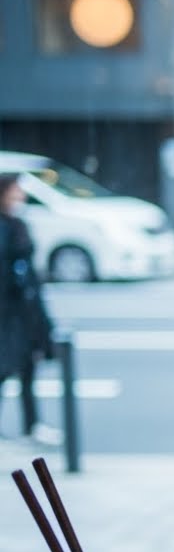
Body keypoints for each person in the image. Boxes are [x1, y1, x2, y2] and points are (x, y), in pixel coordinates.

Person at [0, 173, 58, 445]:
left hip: (24, 311)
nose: (20, 196)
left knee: (26, 367)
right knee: (4, 369)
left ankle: (32, 424)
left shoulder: (17, 224)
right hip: (7, 312)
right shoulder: (7, 227)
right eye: (15, 191)